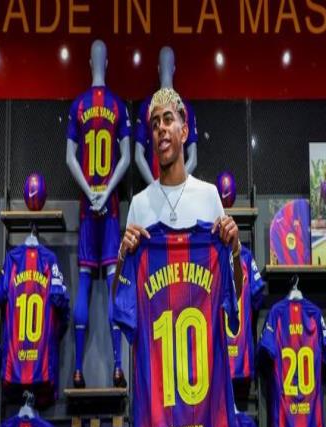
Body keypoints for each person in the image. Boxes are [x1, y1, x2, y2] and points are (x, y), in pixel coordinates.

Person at [118, 87, 242, 293]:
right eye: (155, 124)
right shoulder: (139, 205)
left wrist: (235, 247)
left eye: (168, 120)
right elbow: (121, 296)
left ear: (184, 133)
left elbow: (234, 291)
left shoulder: (209, 196)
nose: (161, 128)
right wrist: (123, 255)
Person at [66, 39, 131, 388]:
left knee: (85, 283)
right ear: (105, 62)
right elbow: (126, 157)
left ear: (90, 61)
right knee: (112, 283)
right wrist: (106, 193)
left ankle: (78, 370)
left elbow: (69, 158)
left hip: (86, 206)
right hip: (111, 207)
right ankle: (118, 367)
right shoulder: (118, 105)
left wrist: (90, 192)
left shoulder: (78, 105)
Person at [134, 47, 198, 184]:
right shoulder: (185, 107)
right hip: (163, 187)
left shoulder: (147, 106)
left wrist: (159, 187)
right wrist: (172, 184)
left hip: (160, 186)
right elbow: (193, 159)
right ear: (174, 69)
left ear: (158, 69)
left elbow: (139, 156)